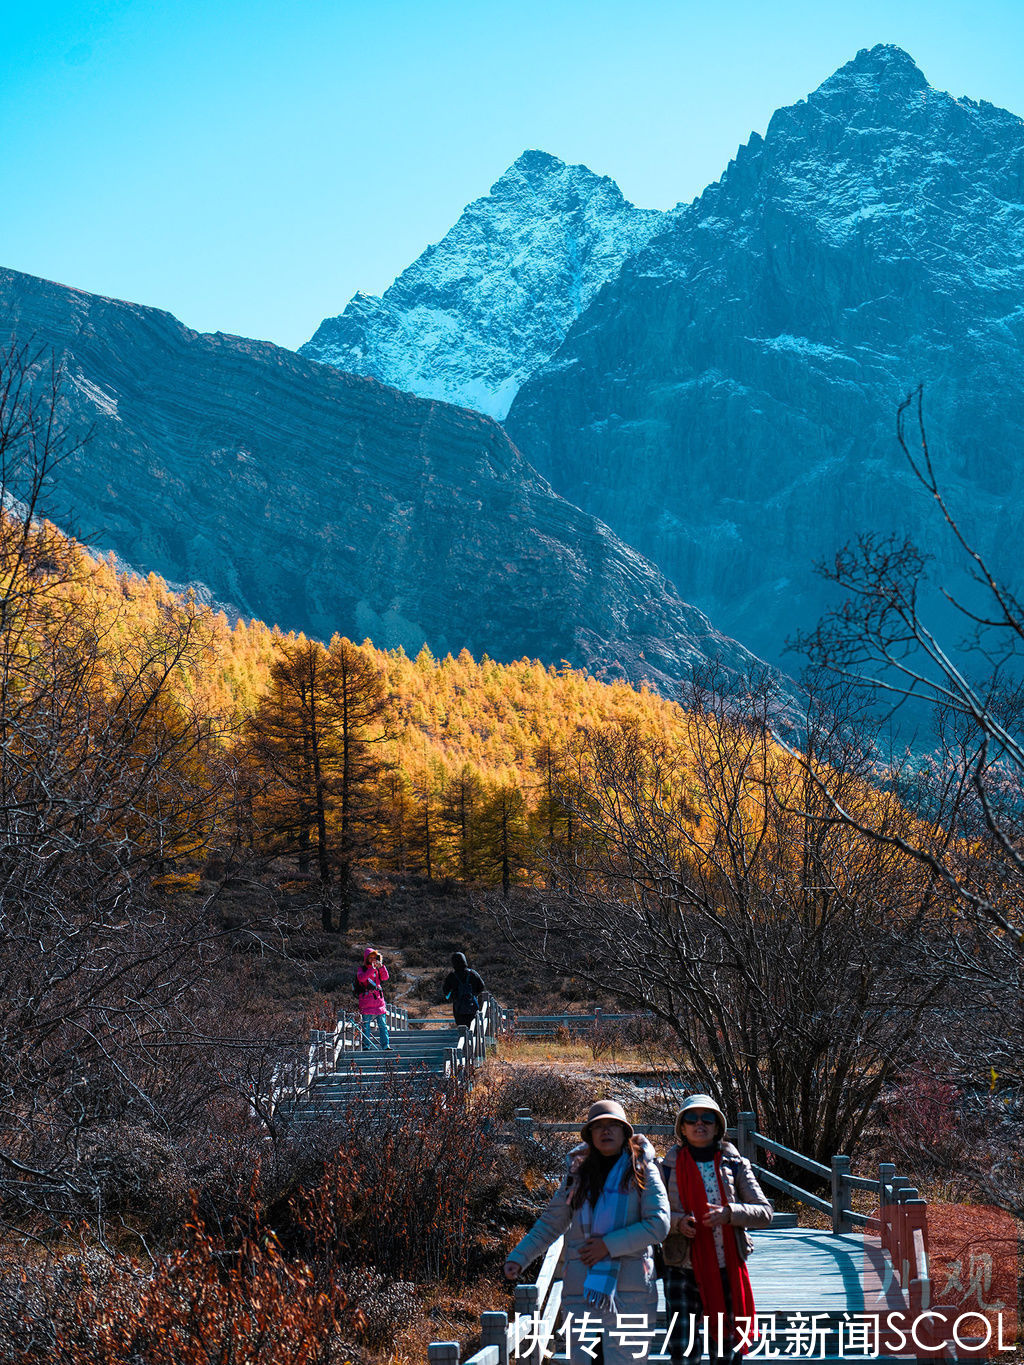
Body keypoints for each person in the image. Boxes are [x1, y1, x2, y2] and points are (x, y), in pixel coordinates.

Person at [503, 1100, 670, 1365]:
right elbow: (551, 1223)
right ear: (589, 1134)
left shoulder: (643, 1171)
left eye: (613, 1125)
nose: (606, 1131)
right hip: (581, 1288)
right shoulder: (577, 1174)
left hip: (631, 1291)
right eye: (599, 1126)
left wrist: (608, 1245)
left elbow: (658, 1224)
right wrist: (520, 1257)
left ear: (625, 1132)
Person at [660, 1094, 772, 1365]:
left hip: (726, 1268)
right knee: (684, 1351)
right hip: (681, 1267)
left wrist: (729, 1214)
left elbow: (765, 1213)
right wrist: (678, 1223)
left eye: (707, 1118)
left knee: (725, 1351)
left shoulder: (735, 1164)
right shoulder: (667, 1167)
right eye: (691, 1118)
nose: (700, 1124)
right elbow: (654, 1214)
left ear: (718, 1126)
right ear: (682, 1127)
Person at [356, 947, 390, 1050]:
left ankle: (385, 1045)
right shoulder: (362, 969)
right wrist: (372, 969)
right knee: (366, 1026)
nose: (372, 960)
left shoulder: (378, 968)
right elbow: (361, 978)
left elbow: (385, 978)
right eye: (370, 958)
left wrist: (381, 967)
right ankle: (366, 1046)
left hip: (378, 1000)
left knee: (383, 1025)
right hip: (366, 1001)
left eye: (374, 957)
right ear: (366, 958)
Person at [442, 951, 485, 1027]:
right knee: (473, 1027)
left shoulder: (452, 976)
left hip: (459, 1008)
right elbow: (482, 986)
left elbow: (445, 991)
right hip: (472, 1006)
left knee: (462, 1028)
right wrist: (474, 994)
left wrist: (453, 997)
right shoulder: (473, 973)